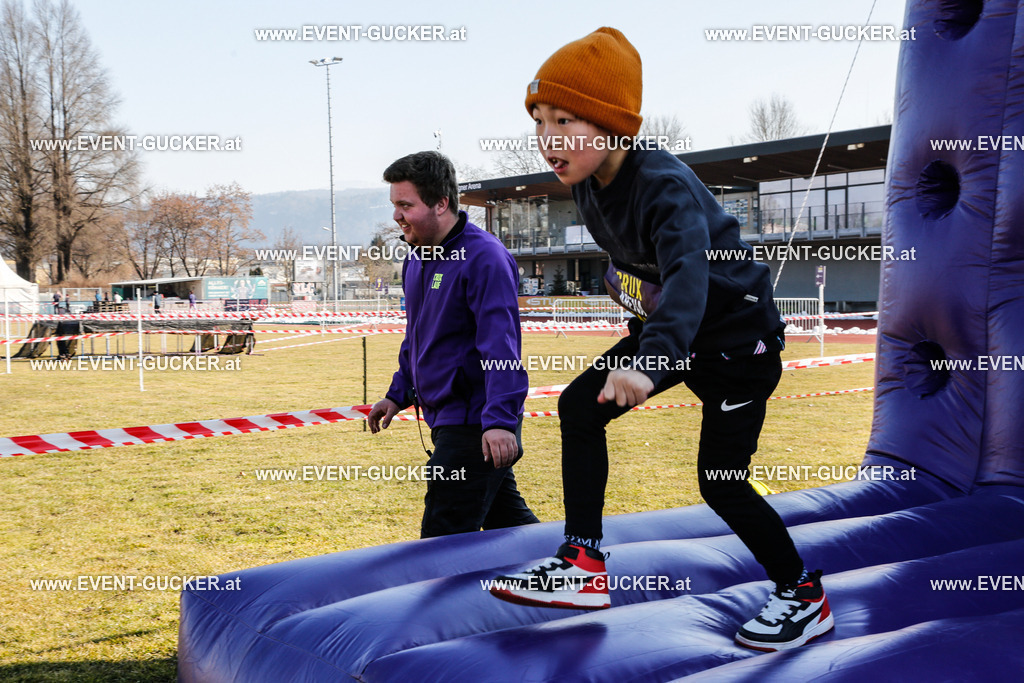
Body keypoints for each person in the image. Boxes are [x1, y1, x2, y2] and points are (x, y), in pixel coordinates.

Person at [489, 28, 833, 652]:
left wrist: (651, 360)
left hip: (738, 349)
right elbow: (644, 276)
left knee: (721, 481)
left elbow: (686, 277)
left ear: (614, 126)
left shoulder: (665, 186)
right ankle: (583, 564)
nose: (548, 139)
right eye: (539, 121)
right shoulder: (588, 188)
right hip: (674, 336)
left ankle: (804, 595)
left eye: (565, 120)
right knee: (577, 406)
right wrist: (641, 336)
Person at [367, 151, 540, 538]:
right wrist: (398, 394)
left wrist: (498, 423)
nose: (396, 215)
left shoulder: (485, 258)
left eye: (405, 205)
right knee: (509, 528)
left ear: (441, 203)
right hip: (446, 420)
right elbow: (420, 337)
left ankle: (580, 580)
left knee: (442, 538)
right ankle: (578, 581)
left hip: (476, 424)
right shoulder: (418, 258)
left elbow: (502, 348)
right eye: (395, 205)